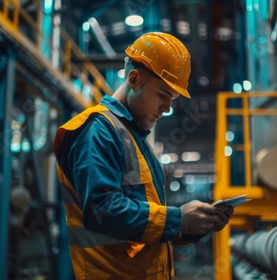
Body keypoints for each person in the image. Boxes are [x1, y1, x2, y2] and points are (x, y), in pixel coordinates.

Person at [54, 32, 234, 279]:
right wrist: (178, 219)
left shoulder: (135, 138)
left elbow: (145, 227)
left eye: (172, 99)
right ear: (134, 79)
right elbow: (103, 211)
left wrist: (195, 226)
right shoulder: (97, 130)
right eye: (162, 95)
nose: (167, 108)